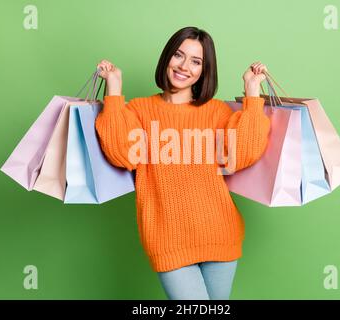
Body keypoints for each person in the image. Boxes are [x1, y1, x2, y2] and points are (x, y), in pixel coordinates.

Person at [95, 26, 270, 300]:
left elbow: (245, 151)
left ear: (204, 70)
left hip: (220, 233)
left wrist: (252, 92)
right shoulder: (139, 111)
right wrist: (114, 90)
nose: (184, 66)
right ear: (167, 58)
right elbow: (121, 154)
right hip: (167, 239)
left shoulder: (215, 112)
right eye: (178, 55)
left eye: (196, 61)